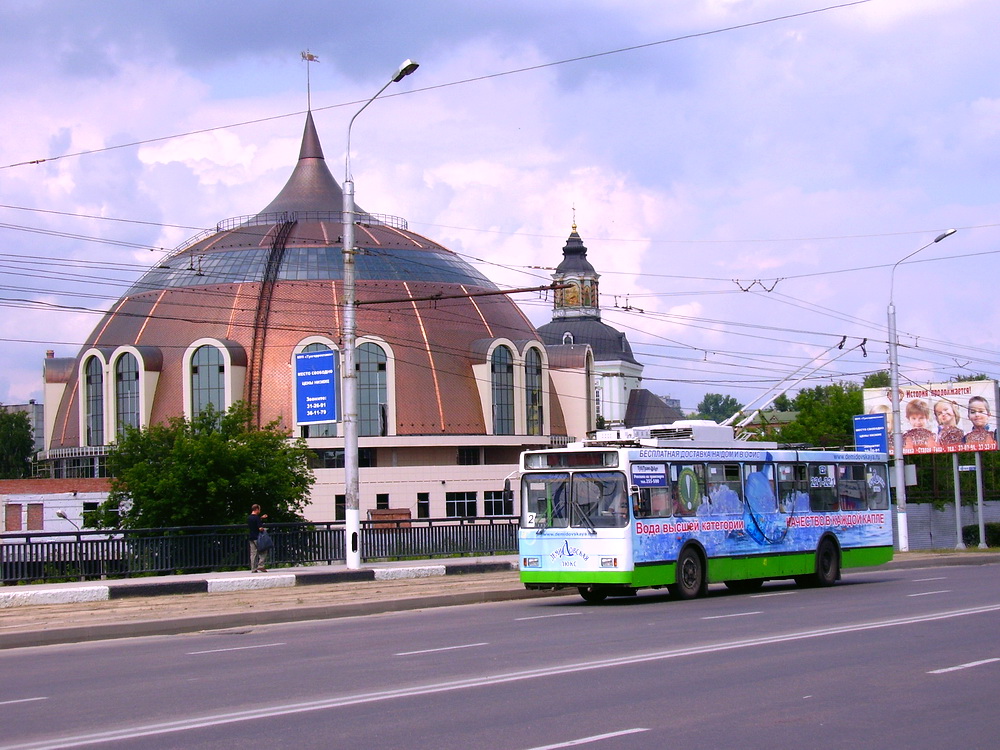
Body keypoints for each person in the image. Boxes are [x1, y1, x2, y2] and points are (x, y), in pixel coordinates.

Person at [247, 504, 268, 573]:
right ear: (256, 509)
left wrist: (261, 518)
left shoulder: (249, 517)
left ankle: (253, 568)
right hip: (257, 537)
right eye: (259, 509)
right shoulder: (256, 518)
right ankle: (261, 565)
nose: (260, 510)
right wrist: (264, 529)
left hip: (251, 537)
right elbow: (260, 528)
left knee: (253, 553)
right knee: (263, 550)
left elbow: (254, 522)